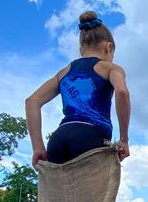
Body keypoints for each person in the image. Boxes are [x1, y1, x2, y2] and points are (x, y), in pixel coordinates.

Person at [25, 10, 130, 168]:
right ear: (109, 48)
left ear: (81, 50)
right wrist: (123, 140)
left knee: (58, 193)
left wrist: (38, 147)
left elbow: (31, 101)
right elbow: (122, 92)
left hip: (59, 139)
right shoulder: (111, 68)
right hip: (92, 138)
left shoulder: (64, 72)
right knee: (94, 193)